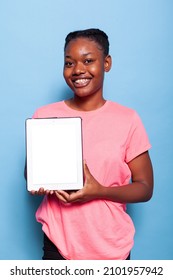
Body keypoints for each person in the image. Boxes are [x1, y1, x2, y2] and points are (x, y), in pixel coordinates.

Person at [27, 28, 153, 260]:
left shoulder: (128, 119)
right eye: (69, 63)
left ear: (106, 63)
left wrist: (99, 191)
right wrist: (37, 180)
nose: (78, 70)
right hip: (59, 243)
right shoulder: (45, 114)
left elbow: (145, 187)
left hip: (111, 245)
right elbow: (31, 171)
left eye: (88, 60)